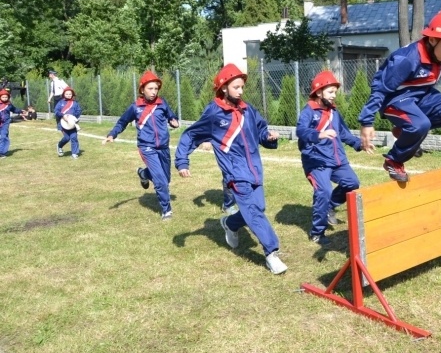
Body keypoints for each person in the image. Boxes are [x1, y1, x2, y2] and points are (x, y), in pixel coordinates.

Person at [175, 63, 287, 275]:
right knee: (254, 213)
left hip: (255, 169)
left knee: (257, 209)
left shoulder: (248, 110)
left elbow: (261, 130)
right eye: (237, 87)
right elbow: (190, 135)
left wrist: (268, 136)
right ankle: (271, 254)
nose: (241, 91)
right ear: (224, 87)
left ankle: (230, 223)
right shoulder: (214, 113)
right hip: (235, 173)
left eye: (243, 87)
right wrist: (182, 161)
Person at [358, 9, 441, 182]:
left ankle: (405, 133)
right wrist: (366, 121)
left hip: (418, 97)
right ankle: (394, 160)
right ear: (432, 39)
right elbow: (380, 89)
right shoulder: (407, 59)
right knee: (420, 125)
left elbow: (425, 85)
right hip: (393, 100)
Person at [296, 70, 362, 247]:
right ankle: (317, 232)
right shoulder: (308, 111)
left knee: (352, 183)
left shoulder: (334, 112)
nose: (334, 96)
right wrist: (320, 134)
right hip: (316, 161)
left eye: (335, 92)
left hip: (337, 159)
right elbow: (301, 132)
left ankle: (330, 206)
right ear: (319, 92)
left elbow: (343, 134)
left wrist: (360, 144)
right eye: (330, 92)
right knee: (323, 191)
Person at [104, 71, 180, 220]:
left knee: (166, 178)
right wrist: (112, 134)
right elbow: (122, 122)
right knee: (161, 181)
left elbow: (172, 116)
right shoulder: (135, 107)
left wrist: (174, 121)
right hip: (147, 147)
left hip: (163, 146)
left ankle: (143, 174)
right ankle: (166, 210)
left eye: (156, 89)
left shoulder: (162, 103)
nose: (153, 92)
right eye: (150, 88)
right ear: (142, 89)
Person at [54, 86, 82, 159]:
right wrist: (63, 115)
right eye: (67, 94)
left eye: (70, 94)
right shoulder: (60, 102)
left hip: (72, 124)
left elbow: (78, 111)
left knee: (74, 137)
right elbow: (56, 111)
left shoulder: (75, 103)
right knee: (66, 138)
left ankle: (74, 154)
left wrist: (72, 117)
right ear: (64, 94)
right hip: (63, 123)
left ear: (72, 95)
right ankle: (59, 146)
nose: (68, 95)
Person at [0, 89, 23, 158]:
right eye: (3, 97)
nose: (4, 98)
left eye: (6, 97)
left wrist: (21, 111)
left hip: (5, 123)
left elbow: (14, 109)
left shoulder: (9, 105)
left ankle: (2, 152)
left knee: (4, 136)